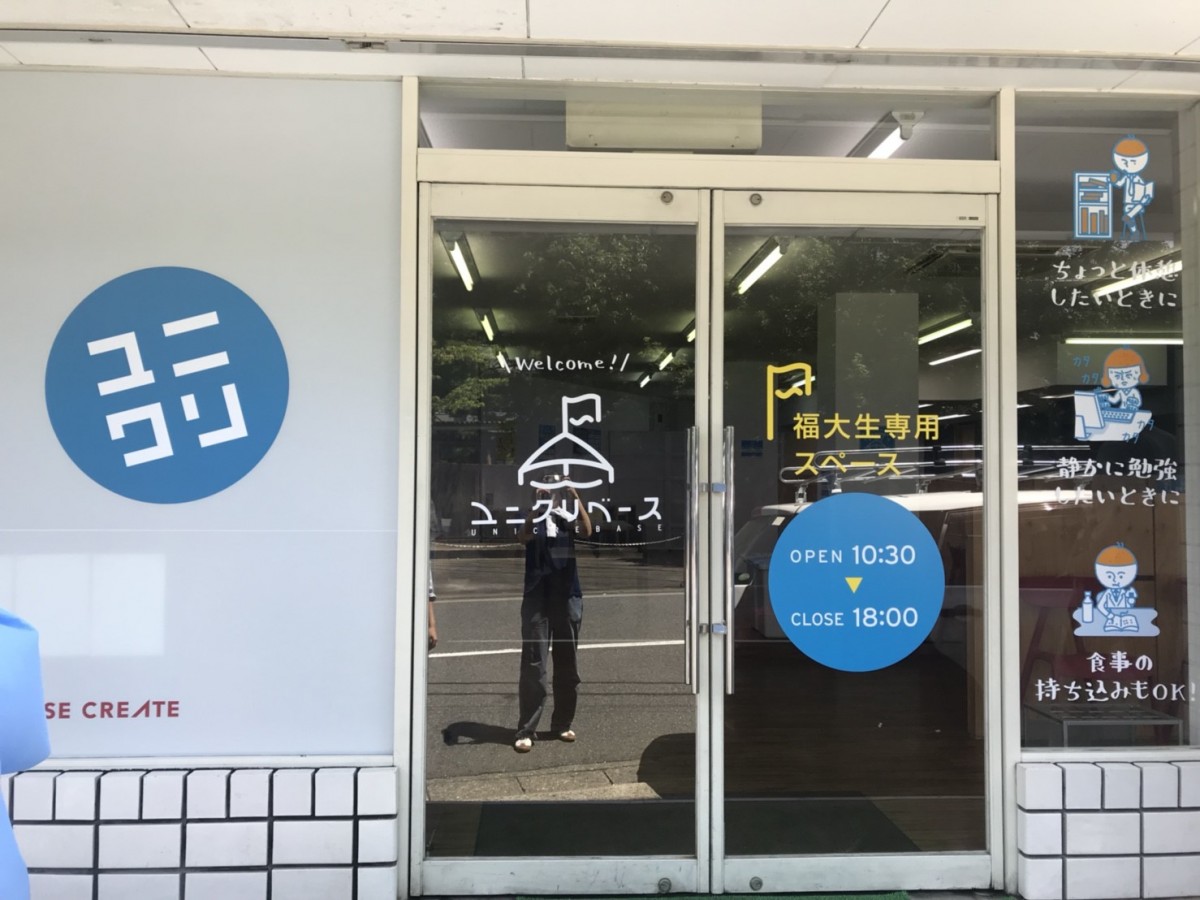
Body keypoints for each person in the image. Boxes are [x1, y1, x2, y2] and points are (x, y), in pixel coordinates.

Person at [514, 473, 592, 752]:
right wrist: (536, 510)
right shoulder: (532, 516)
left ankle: (562, 723)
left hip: (567, 595)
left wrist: (575, 496)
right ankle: (526, 728)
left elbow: (587, 530)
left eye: (554, 490)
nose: (550, 495)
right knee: (534, 664)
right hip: (537, 596)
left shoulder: (565, 518)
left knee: (567, 663)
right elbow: (522, 537)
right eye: (546, 490)